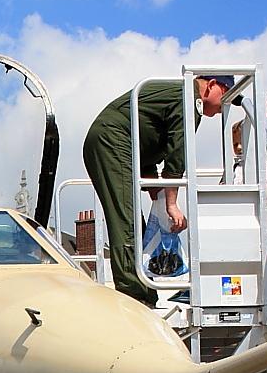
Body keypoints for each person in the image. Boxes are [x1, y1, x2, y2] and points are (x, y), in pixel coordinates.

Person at [83, 74, 235, 308]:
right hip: (112, 141)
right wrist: (171, 204)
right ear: (211, 86)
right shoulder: (188, 99)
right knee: (126, 218)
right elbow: (177, 154)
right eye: (225, 96)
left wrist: (157, 190)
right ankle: (135, 294)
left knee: (132, 219)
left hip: (120, 142)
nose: (223, 106)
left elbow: (146, 132)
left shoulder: (178, 95)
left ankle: (142, 287)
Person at [231, 120, 267, 240]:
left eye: (242, 142)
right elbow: (223, 185)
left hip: (261, 224)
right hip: (238, 225)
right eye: (235, 144)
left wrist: (250, 193)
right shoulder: (233, 168)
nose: (238, 147)